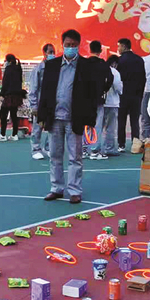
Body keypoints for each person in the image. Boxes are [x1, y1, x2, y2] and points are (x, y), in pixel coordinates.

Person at [36, 29, 97, 205]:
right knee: (55, 155)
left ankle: (75, 190)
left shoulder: (86, 66)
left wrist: (90, 119)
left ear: (79, 45)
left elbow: (92, 95)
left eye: (73, 45)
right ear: (62, 45)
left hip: (74, 118)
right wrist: (42, 116)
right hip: (54, 117)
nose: (70, 47)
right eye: (67, 45)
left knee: (75, 157)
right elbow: (45, 92)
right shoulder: (52, 65)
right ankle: (56, 188)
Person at [116, 38, 146, 154]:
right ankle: (135, 143)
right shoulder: (139, 60)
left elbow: (117, 79)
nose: (118, 49)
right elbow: (143, 78)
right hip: (136, 95)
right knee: (134, 121)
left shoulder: (120, 61)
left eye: (119, 46)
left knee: (121, 120)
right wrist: (140, 94)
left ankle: (121, 144)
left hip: (122, 95)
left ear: (124, 46)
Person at [86, 40, 113, 158]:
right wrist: (104, 89)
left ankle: (84, 148)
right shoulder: (103, 64)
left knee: (85, 123)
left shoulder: (84, 63)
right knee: (97, 124)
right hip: (98, 97)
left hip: (85, 98)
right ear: (101, 51)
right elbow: (110, 78)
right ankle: (94, 150)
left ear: (90, 49)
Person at [28, 43, 54, 160]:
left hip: (52, 103)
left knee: (51, 127)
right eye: (50, 52)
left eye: (53, 52)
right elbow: (33, 88)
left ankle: (48, 148)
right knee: (37, 127)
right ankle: (35, 149)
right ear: (44, 53)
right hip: (40, 102)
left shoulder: (56, 68)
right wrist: (34, 105)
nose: (52, 54)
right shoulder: (38, 69)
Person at [93, 55, 122, 159]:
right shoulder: (115, 72)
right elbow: (118, 88)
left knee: (98, 127)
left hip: (101, 102)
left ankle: (94, 147)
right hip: (112, 103)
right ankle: (109, 148)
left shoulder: (99, 70)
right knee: (110, 127)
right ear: (114, 63)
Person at [0, 54, 23, 141]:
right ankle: (14, 135)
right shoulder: (18, 69)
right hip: (17, 95)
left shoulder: (8, 69)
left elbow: (5, 83)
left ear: (8, 61)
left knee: (3, 115)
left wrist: (2, 94)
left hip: (9, 95)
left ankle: (2, 134)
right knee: (14, 115)